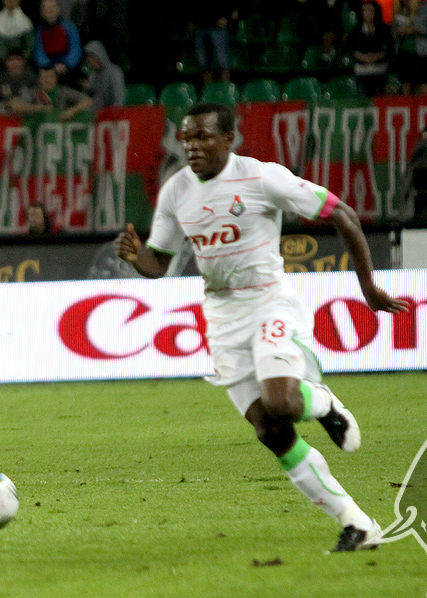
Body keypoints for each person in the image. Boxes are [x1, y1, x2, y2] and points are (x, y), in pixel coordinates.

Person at [113, 102, 408, 552]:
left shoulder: (262, 178)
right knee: (270, 431)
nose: (192, 146)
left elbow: (343, 214)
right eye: (187, 138)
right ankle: (357, 522)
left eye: (203, 136)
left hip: (270, 302)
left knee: (281, 401)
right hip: (222, 316)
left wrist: (367, 286)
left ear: (229, 139)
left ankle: (323, 402)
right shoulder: (176, 191)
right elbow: (160, 262)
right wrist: (138, 259)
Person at [0, 0, 34, 95]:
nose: (10, 1)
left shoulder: (26, 22)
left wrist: (20, 61)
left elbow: (29, 46)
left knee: (30, 76)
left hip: (19, 63)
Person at [6, 67, 92, 120]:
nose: (47, 80)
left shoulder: (64, 91)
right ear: (39, 80)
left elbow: (87, 101)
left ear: (56, 79)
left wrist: (71, 111)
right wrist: (39, 108)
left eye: (50, 77)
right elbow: (14, 106)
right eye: (44, 77)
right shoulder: (33, 93)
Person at [349, 0, 394, 98]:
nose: (367, 13)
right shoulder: (355, 32)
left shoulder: (384, 30)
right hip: (362, 71)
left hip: (379, 71)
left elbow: (390, 49)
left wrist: (377, 56)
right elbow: (351, 49)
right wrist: (362, 57)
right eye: (365, 10)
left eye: (370, 10)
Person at [392, 0, 427, 95]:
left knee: (423, 85)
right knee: (406, 85)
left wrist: (415, 30)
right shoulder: (399, 8)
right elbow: (393, 32)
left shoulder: (426, 7)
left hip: (420, 53)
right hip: (403, 53)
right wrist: (399, 31)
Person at [34, 0, 83, 85]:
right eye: (46, 9)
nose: (50, 11)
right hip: (48, 69)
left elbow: (75, 48)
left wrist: (66, 64)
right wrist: (50, 66)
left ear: (58, 9)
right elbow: (39, 52)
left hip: (69, 69)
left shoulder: (70, 27)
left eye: (52, 7)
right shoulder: (39, 31)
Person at [81, 40, 125, 110]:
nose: (90, 61)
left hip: (112, 111)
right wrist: (89, 89)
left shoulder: (114, 71)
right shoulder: (92, 74)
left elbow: (118, 98)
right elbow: (91, 98)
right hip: (96, 111)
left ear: (99, 56)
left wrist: (113, 113)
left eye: (92, 57)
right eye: (88, 58)